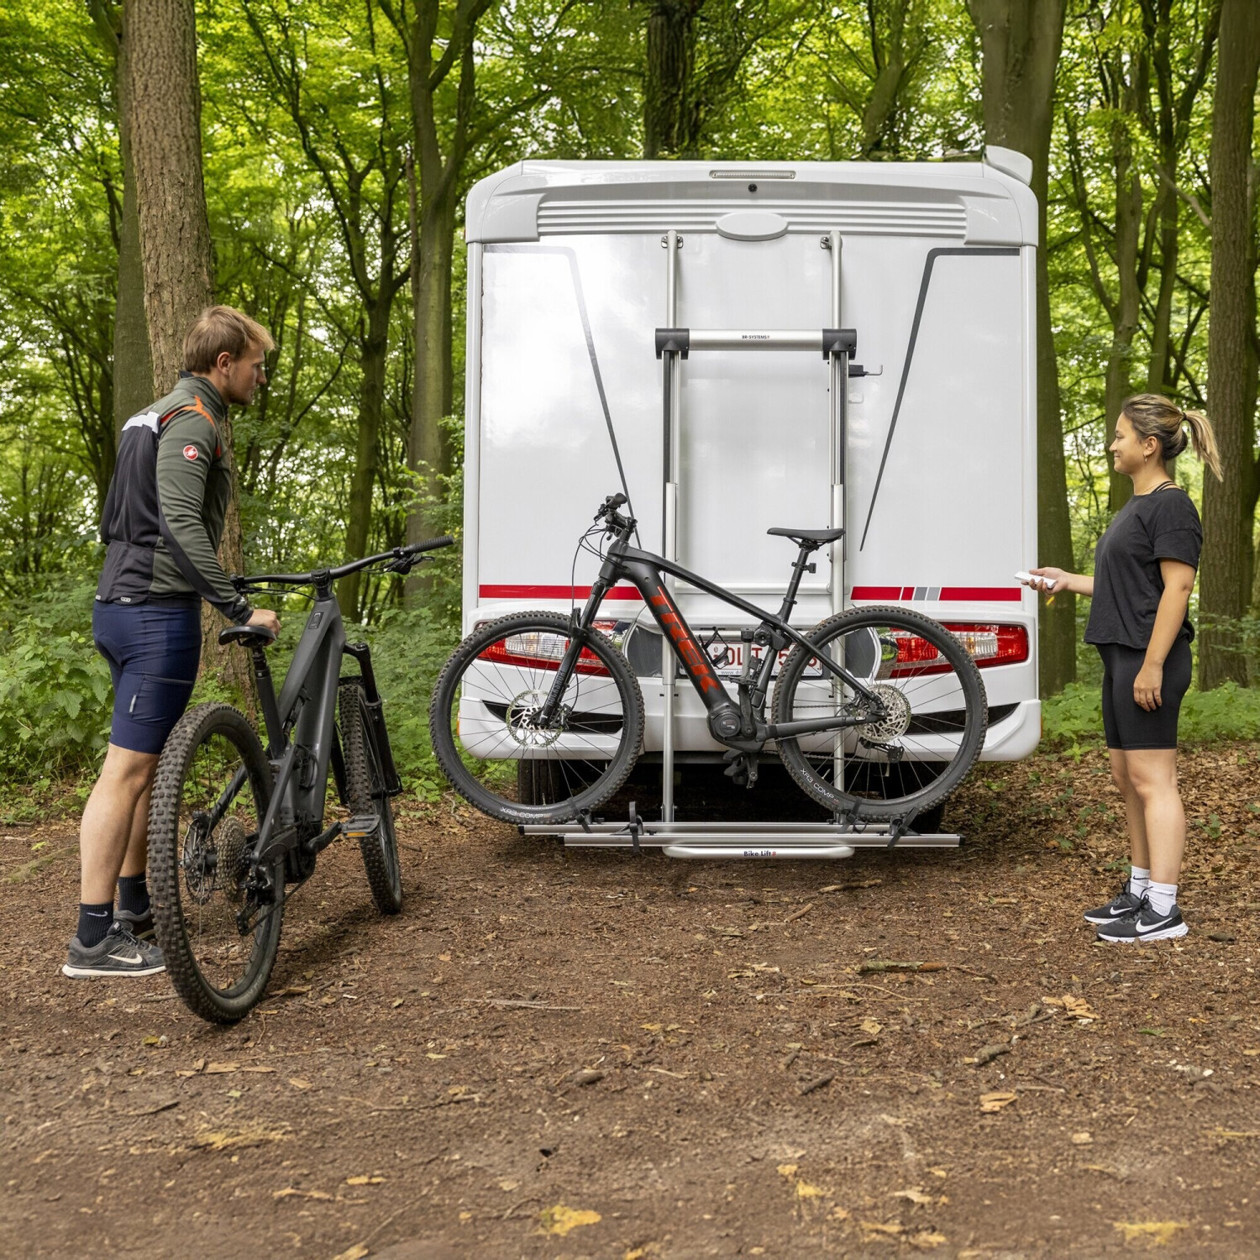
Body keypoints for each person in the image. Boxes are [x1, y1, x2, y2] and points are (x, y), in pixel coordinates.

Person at [63, 306, 281, 978]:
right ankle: (92, 939)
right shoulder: (194, 420)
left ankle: (133, 909)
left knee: (144, 767)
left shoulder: (151, 414)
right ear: (224, 363)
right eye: (256, 365)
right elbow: (182, 523)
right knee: (124, 773)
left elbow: (127, 518)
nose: (261, 377)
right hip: (155, 615)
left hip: (120, 605)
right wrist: (237, 606)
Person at [1025, 393, 1222, 944]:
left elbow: (1178, 588)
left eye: (1119, 436)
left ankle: (1164, 908)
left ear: (1149, 445)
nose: (1113, 445)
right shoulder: (1136, 506)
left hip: (1148, 657)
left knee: (1154, 781)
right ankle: (1139, 889)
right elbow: (1129, 585)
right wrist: (1067, 580)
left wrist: (1153, 665)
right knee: (1127, 778)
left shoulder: (1171, 506)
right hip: (1122, 656)